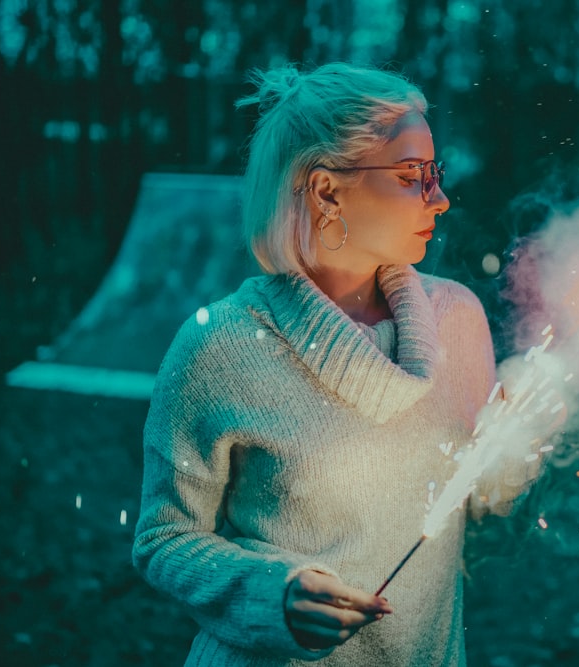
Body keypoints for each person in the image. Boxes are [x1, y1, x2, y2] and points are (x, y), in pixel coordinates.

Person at [132, 62, 541, 666]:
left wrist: (519, 442)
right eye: (412, 175)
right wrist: (275, 595)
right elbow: (163, 538)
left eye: (436, 173)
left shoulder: (458, 318)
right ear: (326, 190)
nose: (441, 197)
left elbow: (481, 498)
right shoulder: (219, 346)